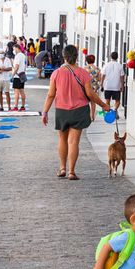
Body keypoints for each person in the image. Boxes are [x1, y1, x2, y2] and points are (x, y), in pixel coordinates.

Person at [42, 45, 109, 179]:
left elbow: (50, 95)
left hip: (62, 110)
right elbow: (90, 94)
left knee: (62, 139)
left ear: (64, 56)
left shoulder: (56, 73)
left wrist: (45, 112)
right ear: (76, 56)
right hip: (79, 111)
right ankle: (71, 172)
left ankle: (62, 168)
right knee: (73, 142)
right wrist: (103, 105)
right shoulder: (83, 73)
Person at [0, 45, 15, 112]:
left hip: (6, 79)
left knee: (7, 93)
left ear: (4, 54)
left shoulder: (7, 60)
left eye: (2, 53)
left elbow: (10, 68)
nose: (1, 54)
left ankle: (9, 107)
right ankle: (1, 106)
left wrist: (3, 69)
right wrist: (0, 68)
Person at [11, 41, 29, 111]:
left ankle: (15, 106)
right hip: (22, 75)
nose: (13, 50)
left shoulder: (18, 56)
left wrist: (12, 75)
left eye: (14, 49)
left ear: (17, 48)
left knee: (16, 92)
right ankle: (23, 106)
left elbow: (16, 66)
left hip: (17, 76)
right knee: (22, 91)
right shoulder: (23, 55)